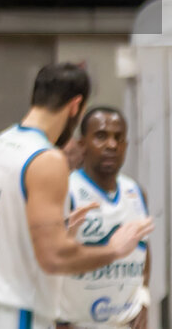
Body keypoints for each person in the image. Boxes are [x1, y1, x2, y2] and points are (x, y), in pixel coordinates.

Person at [0, 63, 153, 329]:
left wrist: (60, 229)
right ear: (75, 106)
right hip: (13, 312)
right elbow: (54, 257)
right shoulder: (45, 158)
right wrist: (114, 249)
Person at [58, 108, 150, 329]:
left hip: (123, 323)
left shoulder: (136, 192)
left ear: (126, 146)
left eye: (118, 138)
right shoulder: (66, 191)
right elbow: (50, 261)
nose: (111, 145)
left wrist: (143, 298)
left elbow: (144, 252)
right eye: (101, 136)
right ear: (82, 145)